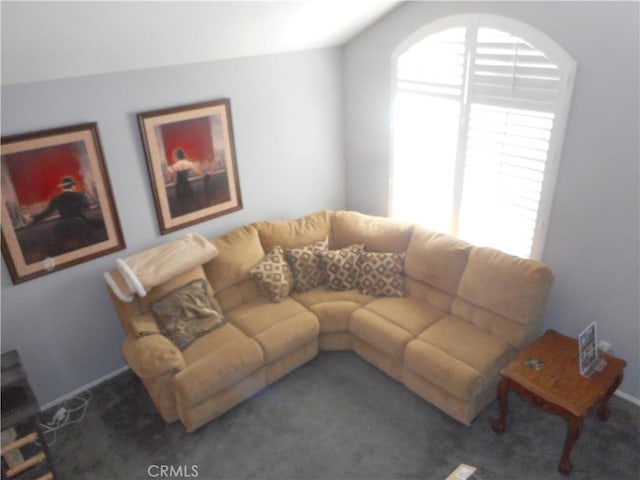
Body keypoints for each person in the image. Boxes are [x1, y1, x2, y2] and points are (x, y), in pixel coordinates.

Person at [31, 176, 93, 254]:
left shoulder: (56, 198)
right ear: (72, 186)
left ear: (63, 187)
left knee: (59, 247)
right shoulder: (80, 195)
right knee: (86, 241)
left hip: (62, 224)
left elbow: (47, 213)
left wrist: (34, 218)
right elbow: (87, 207)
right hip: (78, 222)